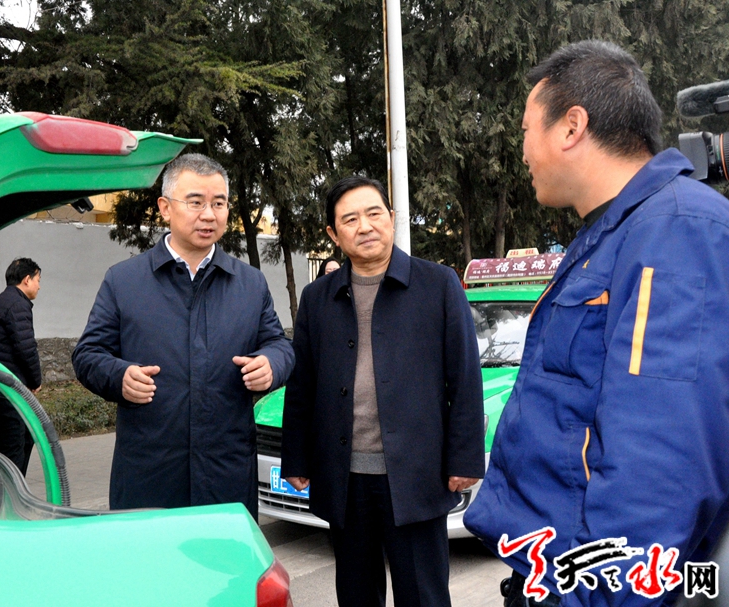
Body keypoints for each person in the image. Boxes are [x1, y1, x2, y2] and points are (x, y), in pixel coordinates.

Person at [463, 40, 729, 607]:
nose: (523, 150)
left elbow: (660, 462)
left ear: (572, 126)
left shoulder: (676, 230)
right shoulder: (612, 233)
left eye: (527, 129)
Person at [282, 176, 485, 607]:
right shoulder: (318, 298)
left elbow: (465, 377)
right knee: (356, 594)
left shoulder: (438, 284)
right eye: (350, 219)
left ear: (391, 219)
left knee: (424, 595)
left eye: (374, 213)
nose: (365, 226)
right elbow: (302, 386)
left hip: (417, 475)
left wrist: (465, 459)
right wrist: (296, 457)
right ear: (333, 234)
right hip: (345, 478)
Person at [73, 153, 295, 519]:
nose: (209, 215)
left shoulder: (249, 283)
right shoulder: (124, 280)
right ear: (165, 207)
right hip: (149, 477)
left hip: (226, 477)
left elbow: (279, 345)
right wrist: (119, 376)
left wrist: (271, 364)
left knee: (223, 557)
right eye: (195, 202)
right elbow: (87, 354)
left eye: (219, 203)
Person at [0, 258, 42, 475]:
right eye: (38, 280)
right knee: (15, 447)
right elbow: (26, 348)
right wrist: (35, 381)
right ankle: (11, 491)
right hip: (6, 388)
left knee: (25, 437)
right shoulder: (18, 305)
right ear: (26, 279)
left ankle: (14, 486)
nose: (39, 286)